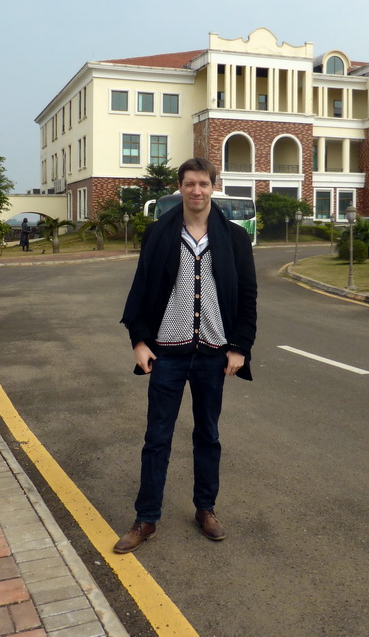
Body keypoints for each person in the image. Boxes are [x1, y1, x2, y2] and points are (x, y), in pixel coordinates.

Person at [115, 157, 257, 554]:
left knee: (208, 436)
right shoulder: (160, 233)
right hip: (167, 355)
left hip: (213, 354)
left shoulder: (232, 237)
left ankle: (206, 509)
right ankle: (146, 518)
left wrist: (240, 347)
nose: (196, 191)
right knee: (156, 438)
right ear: (180, 187)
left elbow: (247, 296)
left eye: (203, 184)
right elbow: (142, 291)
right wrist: (139, 341)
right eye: (189, 184)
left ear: (214, 186)